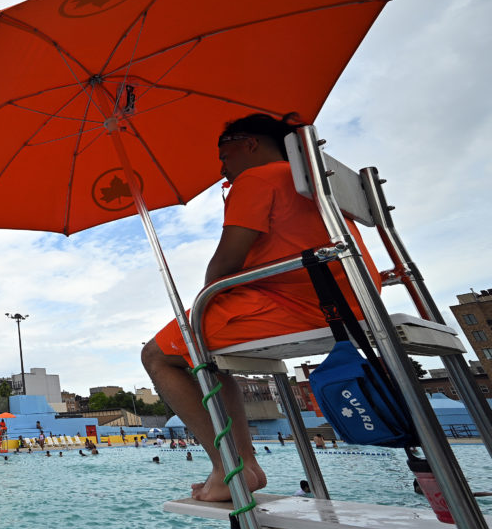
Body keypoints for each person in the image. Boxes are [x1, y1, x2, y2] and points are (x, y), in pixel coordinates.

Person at [141, 113, 382, 503]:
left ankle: (230, 467)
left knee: (157, 355)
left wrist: (206, 299)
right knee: (209, 358)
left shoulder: (260, 177)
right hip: (348, 299)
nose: (222, 167)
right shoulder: (308, 179)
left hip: (299, 303)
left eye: (224, 155)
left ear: (248, 143)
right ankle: (244, 465)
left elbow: (227, 260)